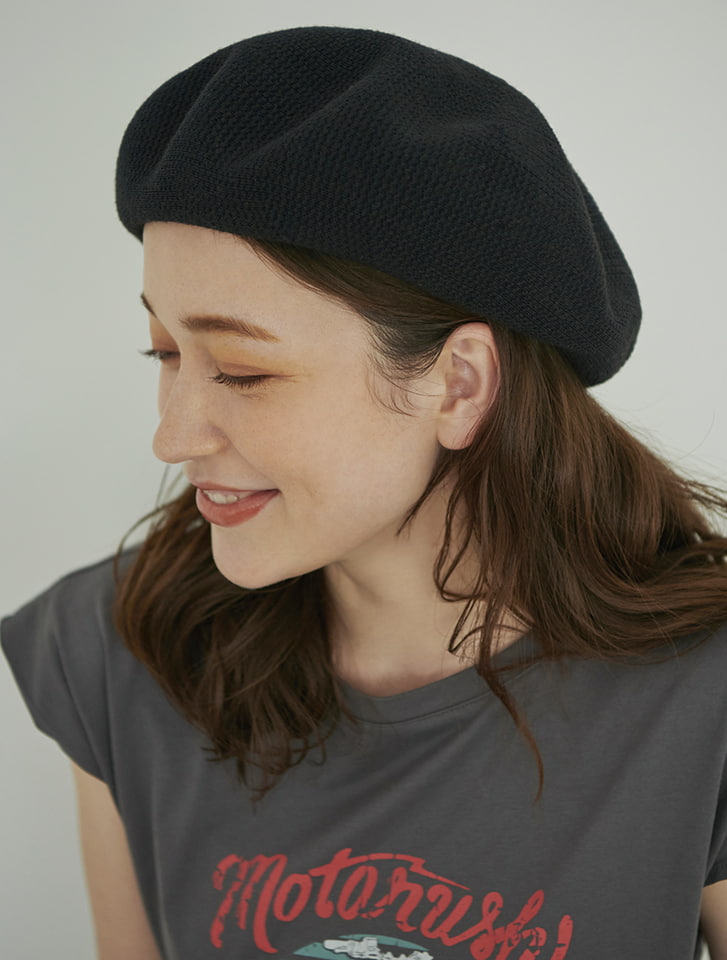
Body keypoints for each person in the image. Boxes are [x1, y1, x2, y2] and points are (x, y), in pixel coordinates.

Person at [2, 25, 726, 960]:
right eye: (166, 354)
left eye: (243, 371)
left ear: (459, 385)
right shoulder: (122, 649)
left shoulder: (704, 700)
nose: (172, 437)